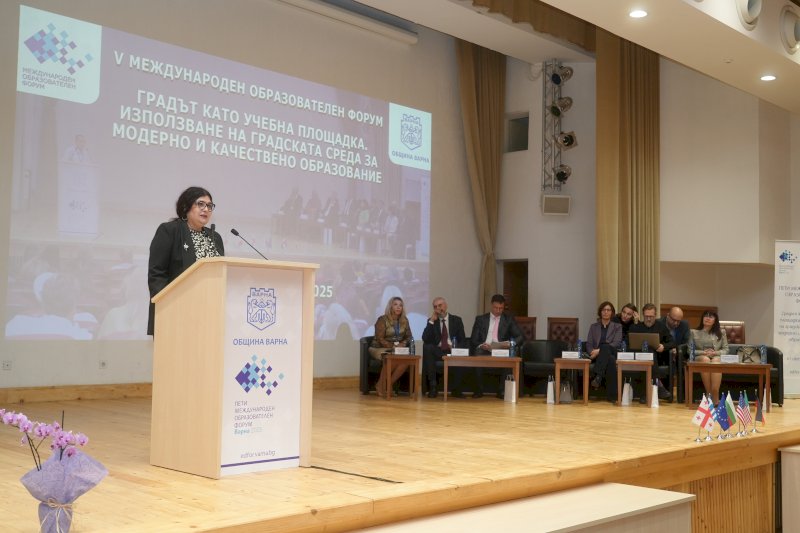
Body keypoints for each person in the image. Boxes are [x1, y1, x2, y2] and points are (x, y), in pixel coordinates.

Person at [147, 186, 224, 335]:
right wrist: (167, 305)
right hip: (175, 313)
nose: (206, 209)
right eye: (200, 204)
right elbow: (157, 274)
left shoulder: (215, 237)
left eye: (209, 206)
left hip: (209, 313)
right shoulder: (169, 231)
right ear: (185, 206)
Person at [469, 294, 524, 399]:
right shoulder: (481, 319)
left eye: (501, 308)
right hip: (485, 349)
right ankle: (479, 390)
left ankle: (502, 391)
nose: (498, 311)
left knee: (510, 356)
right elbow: (473, 339)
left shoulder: (508, 320)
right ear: (491, 305)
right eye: (496, 308)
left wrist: (510, 344)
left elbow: (520, 336)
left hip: (501, 349)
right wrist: (482, 345)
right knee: (477, 353)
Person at [421, 297, 466, 398]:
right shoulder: (432, 321)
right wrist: (431, 321)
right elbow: (425, 338)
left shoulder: (456, 320)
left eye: (440, 305)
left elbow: (462, 340)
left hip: (452, 350)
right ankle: (433, 387)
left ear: (446, 306)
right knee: (428, 347)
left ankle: (456, 389)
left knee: (461, 352)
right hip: (438, 351)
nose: (438, 308)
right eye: (435, 307)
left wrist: (454, 346)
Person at [368, 296, 413, 397]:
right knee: (391, 357)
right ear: (390, 307)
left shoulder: (404, 320)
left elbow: (409, 336)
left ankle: (387, 384)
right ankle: (381, 385)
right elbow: (380, 338)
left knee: (406, 361)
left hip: (396, 349)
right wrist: (393, 346)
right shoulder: (382, 319)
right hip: (378, 347)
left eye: (400, 305)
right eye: (395, 304)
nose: (398, 307)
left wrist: (403, 343)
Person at [629, 303, 675, 400]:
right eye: (646, 316)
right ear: (643, 315)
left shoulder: (661, 326)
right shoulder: (638, 326)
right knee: (648, 350)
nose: (649, 319)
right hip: (639, 357)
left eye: (651, 316)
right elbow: (630, 340)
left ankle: (645, 395)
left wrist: (663, 346)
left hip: (657, 358)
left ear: (655, 315)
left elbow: (672, 342)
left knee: (650, 350)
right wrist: (636, 323)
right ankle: (658, 385)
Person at [586, 301, 623, 402]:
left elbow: (616, 343)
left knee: (606, 347)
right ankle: (612, 396)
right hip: (597, 356)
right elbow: (589, 343)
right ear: (600, 312)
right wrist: (592, 352)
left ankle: (598, 376)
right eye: (604, 310)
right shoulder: (593, 327)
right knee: (610, 360)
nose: (606, 312)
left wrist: (599, 351)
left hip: (611, 351)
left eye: (608, 310)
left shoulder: (617, 326)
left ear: (612, 312)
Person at [690, 310, 729, 404]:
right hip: (700, 357)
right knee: (705, 359)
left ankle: (715, 394)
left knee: (716, 360)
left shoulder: (721, 332)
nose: (707, 318)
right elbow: (690, 350)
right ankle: (709, 393)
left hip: (716, 356)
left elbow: (726, 349)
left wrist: (715, 353)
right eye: (705, 316)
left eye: (710, 317)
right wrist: (703, 352)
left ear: (715, 320)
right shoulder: (694, 332)